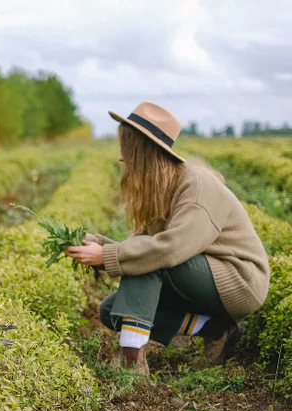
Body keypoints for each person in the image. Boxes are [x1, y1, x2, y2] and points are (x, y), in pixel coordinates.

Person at [65, 101, 269, 376]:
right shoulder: (163, 186)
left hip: (238, 280)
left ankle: (131, 363)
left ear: (143, 152)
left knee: (148, 261)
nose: (121, 158)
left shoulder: (196, 185)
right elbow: (155, 247)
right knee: (112, 310)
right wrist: (101, 246)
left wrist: (107, 256)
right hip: (200, 274)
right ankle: (216, 329)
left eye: (127, 149)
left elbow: (170, 250)